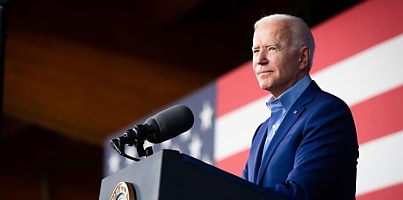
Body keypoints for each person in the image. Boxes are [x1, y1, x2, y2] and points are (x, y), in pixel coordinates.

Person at [242, 14, 359, 200]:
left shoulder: (327, 113)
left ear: (302, 57)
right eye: (256, 51)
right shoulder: (261, 131)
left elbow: (300, 194)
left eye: (271, 48)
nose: (260, 60)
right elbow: (241, 190)